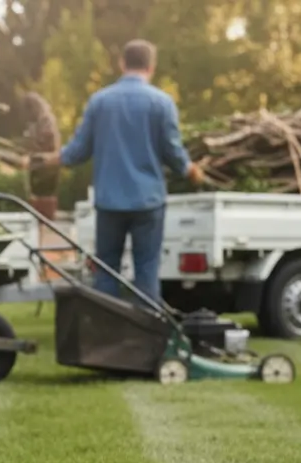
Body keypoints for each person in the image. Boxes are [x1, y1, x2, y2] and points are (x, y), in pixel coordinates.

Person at [31, 39, 205, 305]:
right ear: (151, 67)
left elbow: (77, 151)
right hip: (148, 203)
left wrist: (45, 160)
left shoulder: (100, 102)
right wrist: (189, 169)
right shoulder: (162, 103)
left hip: (110, 201)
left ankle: (107, 335)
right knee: (146, 271)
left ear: (122, 63)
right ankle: (144, 335)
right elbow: (172, 151)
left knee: (106, 270)